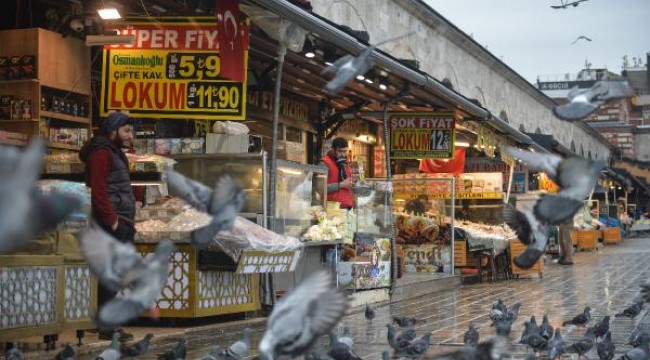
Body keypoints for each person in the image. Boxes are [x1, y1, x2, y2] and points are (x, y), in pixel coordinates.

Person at [79, 112, 138, 341]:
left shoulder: (113, 153)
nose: (130, 135)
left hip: (120, 219)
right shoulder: (102, 154)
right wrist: (113, 220)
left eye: (131, 131)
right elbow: (99, 191)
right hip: (111, 222)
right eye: (126, 131)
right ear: (112, 131)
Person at [320, 137, 354, 209]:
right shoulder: (324, 163)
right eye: (340, 151)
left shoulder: (345, 163)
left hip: (347, 206)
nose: (343, 154)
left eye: (344, 151)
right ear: (333, 150)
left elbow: (349, 184)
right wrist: (341, 185)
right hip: (332, 208)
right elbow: (320, 188)